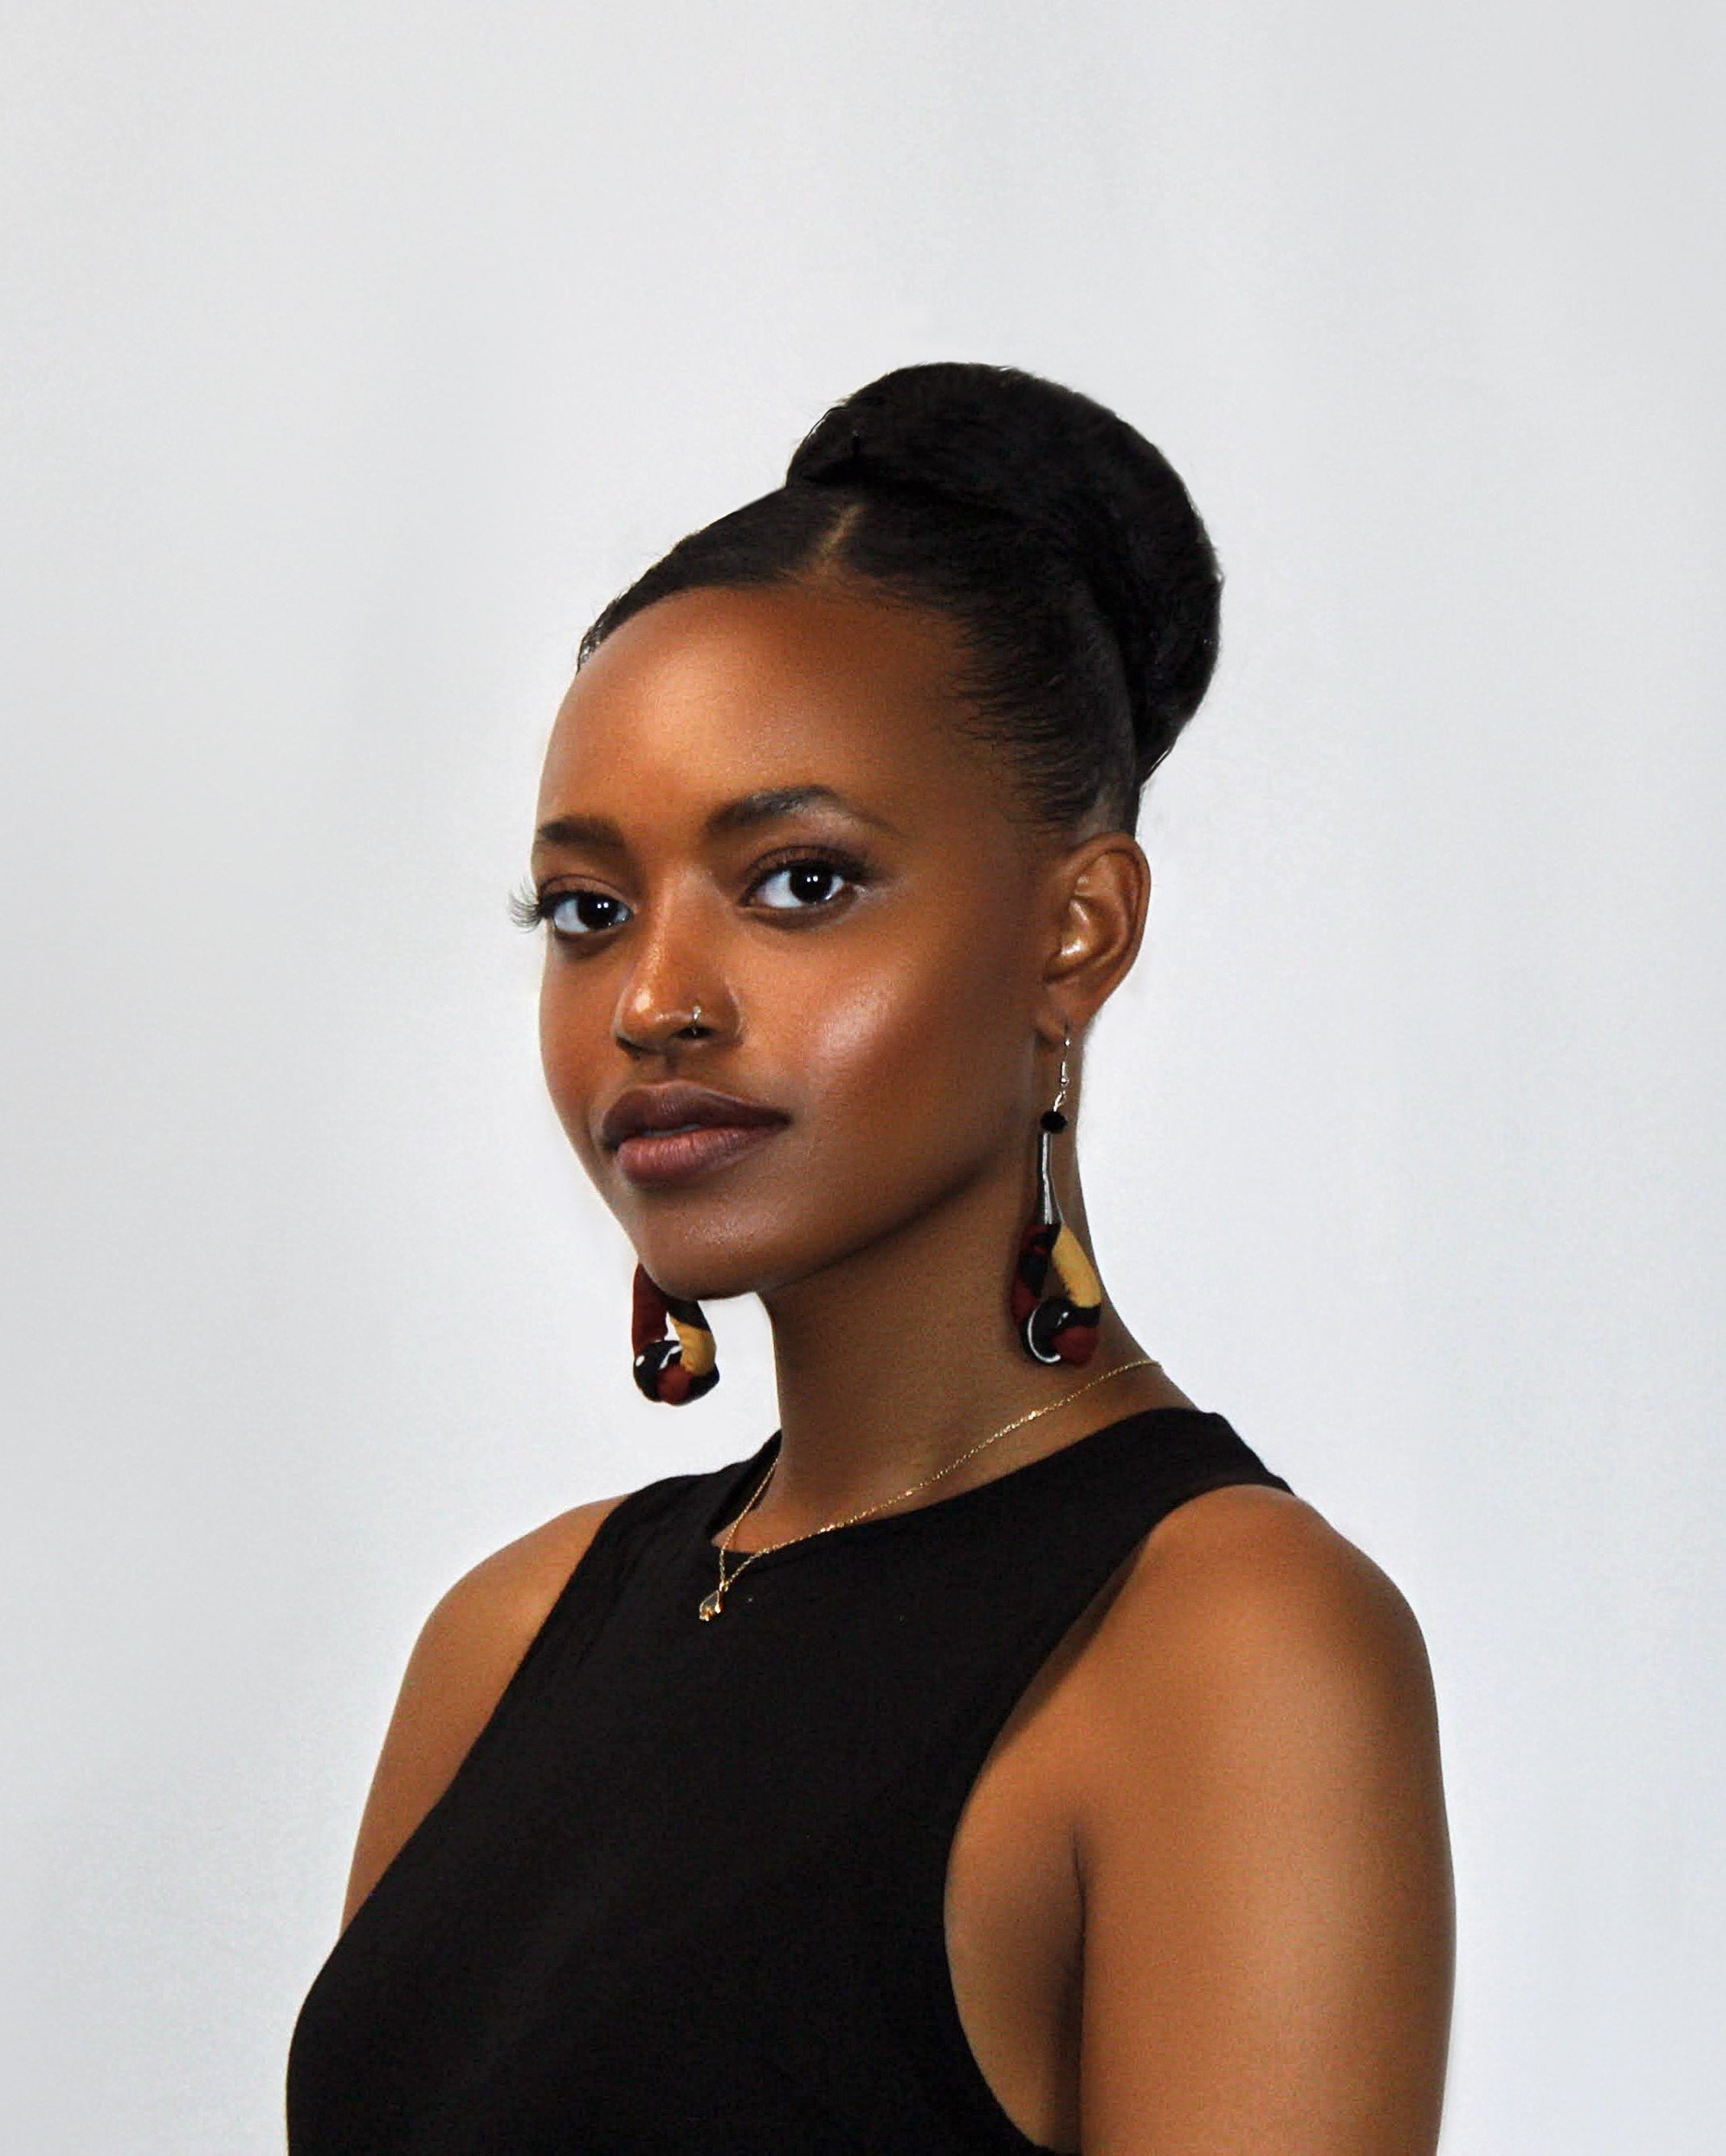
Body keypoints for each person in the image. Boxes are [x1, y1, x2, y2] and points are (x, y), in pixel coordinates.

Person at [285, 362, 1453, 2154]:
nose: (656, 998)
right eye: (588, 911)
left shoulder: (1225, 1649)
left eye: (798, 881)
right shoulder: (508, 1634)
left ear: (1077, 928)